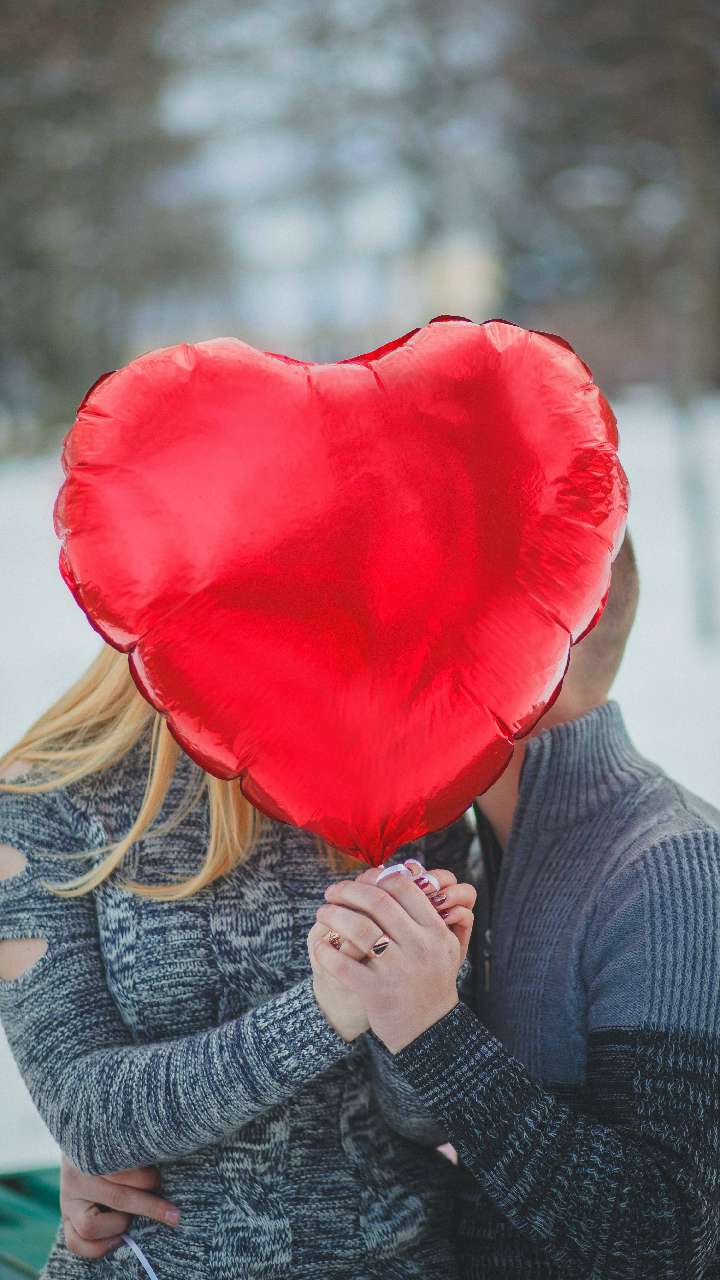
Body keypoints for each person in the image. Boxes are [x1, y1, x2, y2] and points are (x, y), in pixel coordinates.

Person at [0, 642, 476, 1279]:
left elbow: (425, 1121)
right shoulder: (45, 795)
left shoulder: (411, 777)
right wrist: (326, 1010)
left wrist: (426, 998)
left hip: (400, 1258)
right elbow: (84, 1116)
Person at [314, 531, 720, 1278]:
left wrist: (433, 1031)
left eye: (420, 623)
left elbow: (664, 1244)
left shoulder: (670, 865)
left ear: (514, 642)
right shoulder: (475, 852)